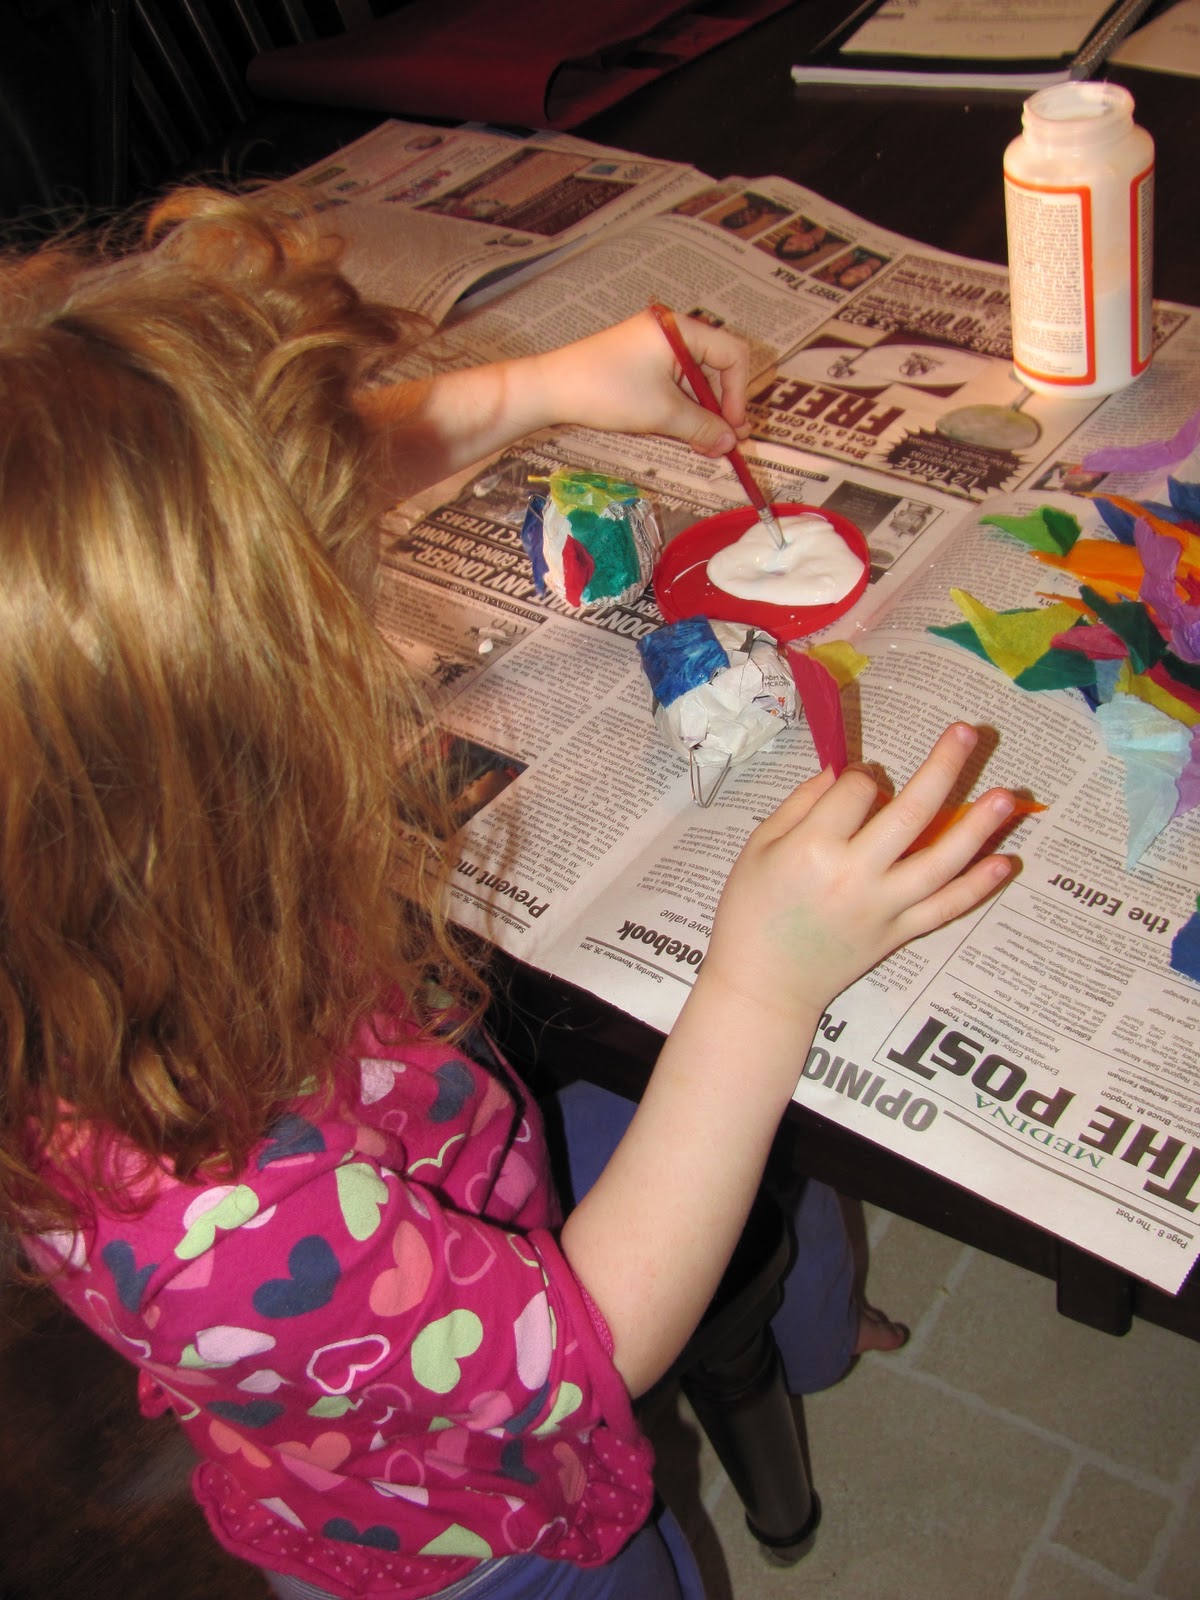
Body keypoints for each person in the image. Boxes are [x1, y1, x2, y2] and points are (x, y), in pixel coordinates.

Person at [0, 186, 1017, 1600]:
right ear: (189, 790)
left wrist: (545, 387)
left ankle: (810, 1330)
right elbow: (595, 1346)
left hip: (446, 1145)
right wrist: (762, 986)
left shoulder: (102, 894)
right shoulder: (218, 1237)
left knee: (695, 1129)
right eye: (331, 628)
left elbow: (285, 495)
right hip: (481, 1540)